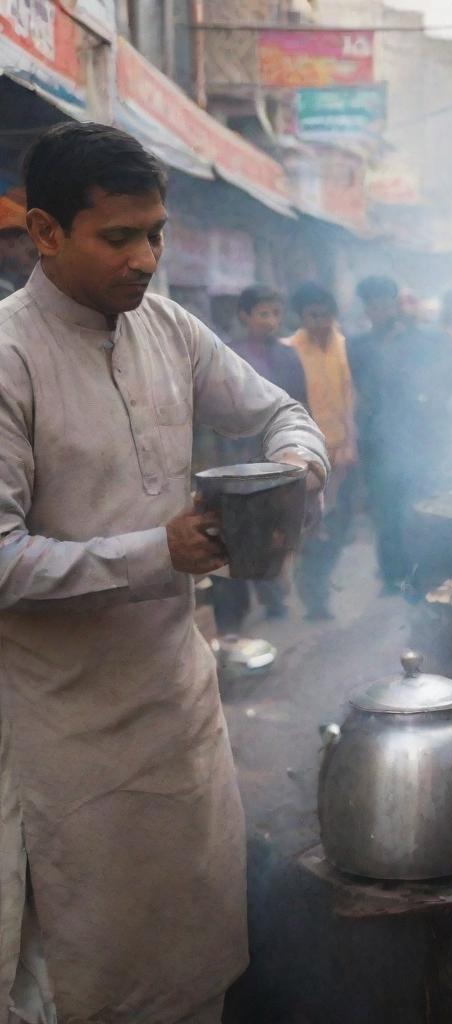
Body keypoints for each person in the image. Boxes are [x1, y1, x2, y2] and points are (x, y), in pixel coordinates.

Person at [0, 123, 328, 1023]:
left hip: (179, 707)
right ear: (45, 231)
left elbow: (280, 413)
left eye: (156, 235)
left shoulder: (168, 327)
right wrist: (157, 552)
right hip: (67, 736)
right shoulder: (9, 355)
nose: (145, 259)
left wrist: (299, 470)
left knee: (196, 957)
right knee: (90, 978)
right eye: (119, 237)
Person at [205, 284, 309, 629]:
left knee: (273, 527)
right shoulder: (228, 356)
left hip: (276, 454)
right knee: (236, 530)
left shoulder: (288, 356)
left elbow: (299, 408)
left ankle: (273, 594)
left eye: (276, 314)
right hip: (236, 454)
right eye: (263, 314)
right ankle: (237, 608)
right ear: (244, 315)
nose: (271, 321)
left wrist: (300, 450)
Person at [347, 275, 452, 590]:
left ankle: (423, 567)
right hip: (376, 440)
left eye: (384, 302)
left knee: (420, 502)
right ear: (366, 308)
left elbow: (444, 379)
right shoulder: (357, 346)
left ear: (395, 304)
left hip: (419, 436)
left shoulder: (423, 340)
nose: (379, 309)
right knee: (385, 510)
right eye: (372, 304)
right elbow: (353, 390)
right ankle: (391, 573)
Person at [287, 282, 358, 620]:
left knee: (335, 525)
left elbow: (350, 397)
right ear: (301, 316)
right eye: (313, 315)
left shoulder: (344, 346)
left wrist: (350, 443)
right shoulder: (290, 350)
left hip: (341, 450)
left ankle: (321, 587)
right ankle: (314, 597)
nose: (321, 321)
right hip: (305, 452)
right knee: (311, 526)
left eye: (326, 314)